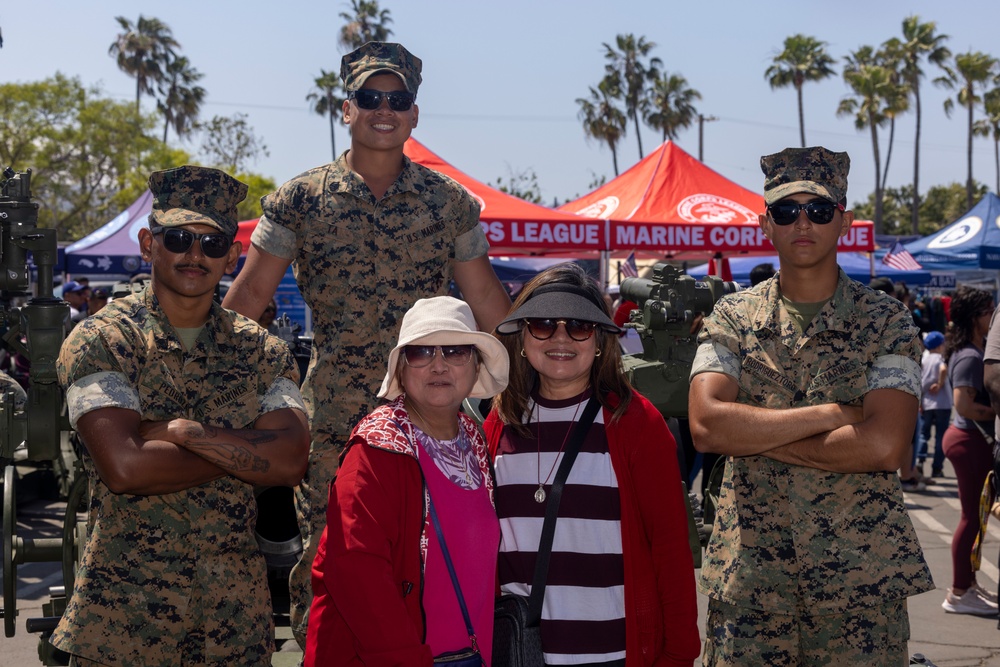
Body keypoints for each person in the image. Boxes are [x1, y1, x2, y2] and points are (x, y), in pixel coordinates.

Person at [221, 41, 511, 644]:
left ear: (413, 112)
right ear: (345, 108)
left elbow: (489, 307)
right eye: (371, 98)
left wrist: (543, 379)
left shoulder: (449, 204)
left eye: (398, 99)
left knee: (432, 559)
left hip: (431, 414)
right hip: (336, 420)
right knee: (332, 564)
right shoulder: (299, 200)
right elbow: (246, 305)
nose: (385, 110)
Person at [51, 165, 311, 665]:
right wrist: (246, 447)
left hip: (234, 629)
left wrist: (187, 433)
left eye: (213, 244)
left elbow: (292, 462)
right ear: (149, 245)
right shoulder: (104, 340)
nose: (196, 255)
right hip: (122, 625)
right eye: (178, 239)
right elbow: (127, 468)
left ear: (232, 256)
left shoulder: (263, 351)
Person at [689, 146, 933, 665]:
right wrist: (831, 415)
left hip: (861, 591)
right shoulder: (730, 316)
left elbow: (885, 444)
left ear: (843, 221)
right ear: (765, 224)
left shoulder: (887, 321)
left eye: (819, 210)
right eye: (786, 210)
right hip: (752, 587)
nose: (804, 222)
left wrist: (756, 437)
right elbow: (709, 426)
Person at [486, 263, 701, 667]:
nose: (561, 338)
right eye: (544, 323)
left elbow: (671, 551)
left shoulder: (636, 424)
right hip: (519, 652)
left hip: (613, 652)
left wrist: (678, 655)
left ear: (600, 339)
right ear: (523, 337)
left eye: (579, 326)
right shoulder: (500, 424)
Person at [305, 296, 508, 666]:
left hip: (472, 652)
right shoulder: (375, 448)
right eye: (421, 352)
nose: (439, 364)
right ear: (400, 370)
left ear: (476, 365)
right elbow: (357, 571)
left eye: (455, 350)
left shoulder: (474, 437)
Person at [940, 286, 998, 616]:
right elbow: (964, 405)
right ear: (975, 317)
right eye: (988, 310)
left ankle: (968, 584)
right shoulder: (969, 355)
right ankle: (960, 591)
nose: (993, 316)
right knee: (970, 519)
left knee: (976, 518)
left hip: (970, 442)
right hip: (967, 442)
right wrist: (996, 410)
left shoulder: (975, 350)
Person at [920, 330, 951, 478]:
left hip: (926, 402)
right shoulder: (940, 358)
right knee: (940, 437)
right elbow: (943, 369)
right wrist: (939, 383)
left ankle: (920, 461)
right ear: (939, 346)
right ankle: (936, 468)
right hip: (942, 403)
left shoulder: (924, 359)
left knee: (924, 434)